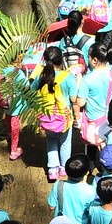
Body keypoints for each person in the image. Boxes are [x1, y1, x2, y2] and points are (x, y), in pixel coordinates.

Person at [35, 46, 76, 183]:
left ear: (45, 60)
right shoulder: (68, 77)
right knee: (65, 142)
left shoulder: (41, 76)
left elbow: (32, 89)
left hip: (47, 117)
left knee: (51, 140)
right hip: (63, 118)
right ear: (61, 60)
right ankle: (64, 167)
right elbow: (74, 99)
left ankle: (52, 169)